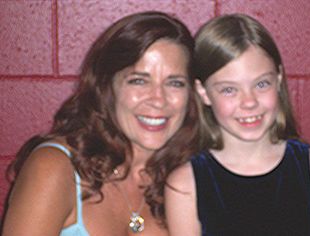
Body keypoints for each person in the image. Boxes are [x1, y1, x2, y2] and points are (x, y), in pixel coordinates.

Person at [2, 11, 199, 235]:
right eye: (138, 81)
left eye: (174, 83)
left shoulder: (189, 178)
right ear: (107, 88)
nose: (158, 99)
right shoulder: (55, 167)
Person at [165, 13, 310, 236]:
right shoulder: (185, 185)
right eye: (229, 89)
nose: (249, 102)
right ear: (203, 92)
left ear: (278, 80)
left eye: (261, 84)